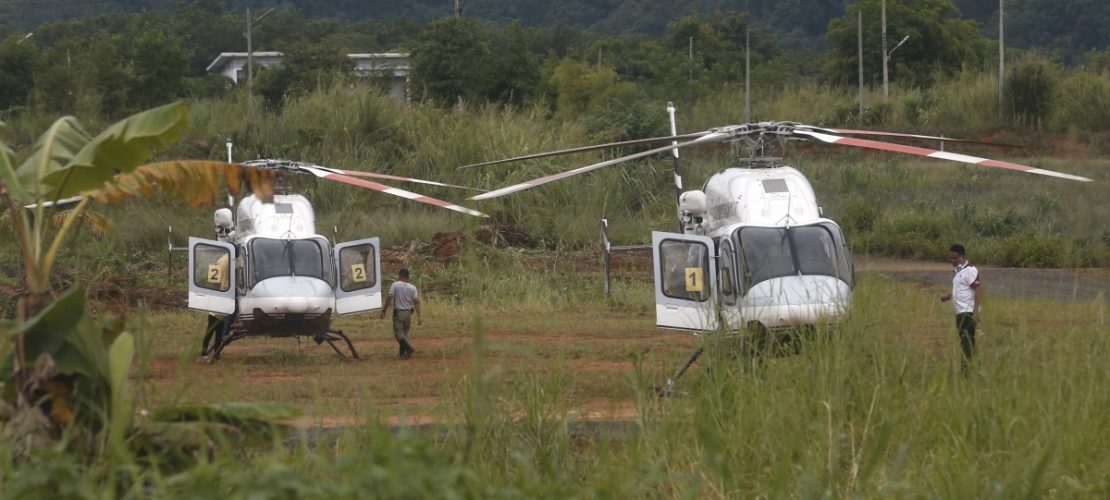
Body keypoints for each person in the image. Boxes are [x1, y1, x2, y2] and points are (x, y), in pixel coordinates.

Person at [939, 244, 982, 369]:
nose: (951, 261)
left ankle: (966, 371)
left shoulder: (970, 270)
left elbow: (978, 291)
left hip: (967, 312)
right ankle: (975, 368)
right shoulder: (958, 271)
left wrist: (975, 313)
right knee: (968, 342)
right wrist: (948, 296)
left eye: (954, 258)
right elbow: (960, 290)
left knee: (966, 342)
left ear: (962, 257)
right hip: (960, 312)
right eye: (950, 258)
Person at [380, 268, 421, 359]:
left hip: (399, 313)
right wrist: (419, 316)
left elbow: (389, 297)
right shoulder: (412, 287)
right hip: (408, 314)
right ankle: (403, 354)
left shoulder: (395, 285)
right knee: (404, 334)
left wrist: (384, 310)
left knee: (398, 334)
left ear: (400, 276)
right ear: (408, 277)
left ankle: (409, 347)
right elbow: (416, 302)